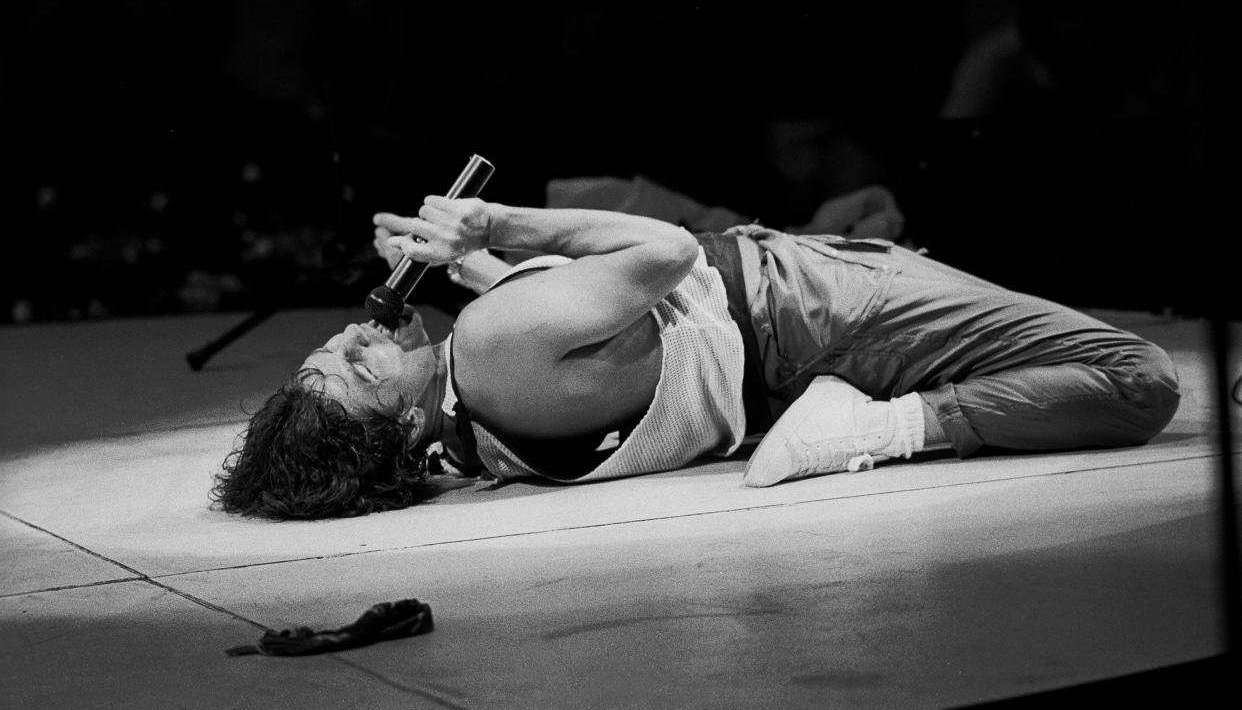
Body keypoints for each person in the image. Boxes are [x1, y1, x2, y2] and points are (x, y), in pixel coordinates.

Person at [213, 194, 1180, 519]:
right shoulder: (492, 348)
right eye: (349, 370)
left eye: (327, 350)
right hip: (811, 309)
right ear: (387, 426)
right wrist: (498, 223)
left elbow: (585, 342)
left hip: (781, 348)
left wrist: (479, 269)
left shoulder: (470, 441)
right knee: (1137, 380)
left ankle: (881, 415)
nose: (345, 336)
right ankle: (885, 428)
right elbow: (667, 251)